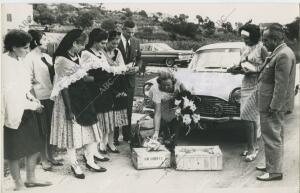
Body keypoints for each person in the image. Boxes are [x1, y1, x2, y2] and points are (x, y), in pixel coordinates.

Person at [50, 29, 106, 180]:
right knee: (72, 134)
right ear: (74, 43)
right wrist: (69, 109)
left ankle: (90, 160)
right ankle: (74, 164)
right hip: (68, 100)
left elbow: (80, 77)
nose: (83, 48)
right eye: (81, 45)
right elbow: (63, 86)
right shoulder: (61, 60)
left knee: (91, 128)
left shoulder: (76, 55)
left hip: (82, 97)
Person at [2, 30, 52, 190]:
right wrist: (32, 105)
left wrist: (33, 99)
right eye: (24, 47)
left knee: (34, 144)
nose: (27, 50)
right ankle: (18, 184)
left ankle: (31, 178)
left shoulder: (19, 59)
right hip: (13, 111)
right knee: (15, 150)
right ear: (13, 47)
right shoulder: (5, 64)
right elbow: (11, 96)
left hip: (26, 108)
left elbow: (25, 87)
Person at [256, 23, 296, 181]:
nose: (264, 43)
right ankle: (271, 165)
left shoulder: (283, 55)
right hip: (270, 103)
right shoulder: (280, 52)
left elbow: (281, 85)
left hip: (272, 105)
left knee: (272, 136)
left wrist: (275, 106)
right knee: (273, 135)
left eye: (265, 40)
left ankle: (274, 172)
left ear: (275, 39)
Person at [80, 29, 128, 155]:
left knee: (104, 121)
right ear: (94, 41)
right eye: (102, 43)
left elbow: (109, 69)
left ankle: (98, 149)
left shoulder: (100, 53)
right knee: (96, 122)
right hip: (94, 91)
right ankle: (91, 153)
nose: (103, 46)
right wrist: (102, 78)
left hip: (106, 90)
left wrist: (122, 69)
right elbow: (84, 77)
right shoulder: (86, 53)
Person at [229, 23, 269, 162]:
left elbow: (269, 67)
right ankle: (252, 146)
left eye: (246, 37)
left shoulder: (261, 48)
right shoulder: (244, 49)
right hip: (245, 84)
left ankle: (252, 148)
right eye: (242, 37)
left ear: (253, 36)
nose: (244, 40)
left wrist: (256, 70)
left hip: (257, 85)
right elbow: (242, 66)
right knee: (248, 118)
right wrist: (235, 70)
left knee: (247, 117)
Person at [26, 30, 63, 171]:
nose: (47, 41)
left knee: (51, 128)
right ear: (36, 42)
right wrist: (35, 102)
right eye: (44, 38)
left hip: (51, 97)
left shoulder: (47, 56)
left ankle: (51, 156)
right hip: (40, 99)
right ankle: (43, 158)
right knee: (42, 130)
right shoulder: (29, 58)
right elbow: (28, 83)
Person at [115, 20, 142, 144]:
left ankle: (126, 135)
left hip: (130, 81)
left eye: (133, 32)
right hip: (116, 81)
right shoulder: (115, 41)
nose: (131, 34)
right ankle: (114, 137)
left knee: (128, 108)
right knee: (115, 108)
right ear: (123, 29)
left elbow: (140, 59)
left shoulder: (136, 42)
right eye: (129, 32)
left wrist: (137, 68)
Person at [105, 30, 129, 153]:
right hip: (104, 86)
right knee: (104, 116)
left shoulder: (117, 52)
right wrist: (116, 67)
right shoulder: (102, 52)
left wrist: (116, 68)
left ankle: (111, 142)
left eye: (117, 41)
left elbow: (122, 68)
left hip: (116, 85)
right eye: (113, 41)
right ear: (107, 40)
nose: (115, 44)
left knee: (114, 116)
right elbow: (106, 69)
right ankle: (101, 144)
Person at [148, 71, 186, 146]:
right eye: (163, 85)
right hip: (161, 105)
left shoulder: (179, 84)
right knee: (163, 122)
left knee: (175, 126)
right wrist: (156, 131)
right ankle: (162, 135)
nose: (166, 87)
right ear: (159, 84)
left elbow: (187, 97)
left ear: (173, 82)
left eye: (168, 85)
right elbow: (157, 112)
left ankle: (173, 144)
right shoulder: (155, 89)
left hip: (174, 106)